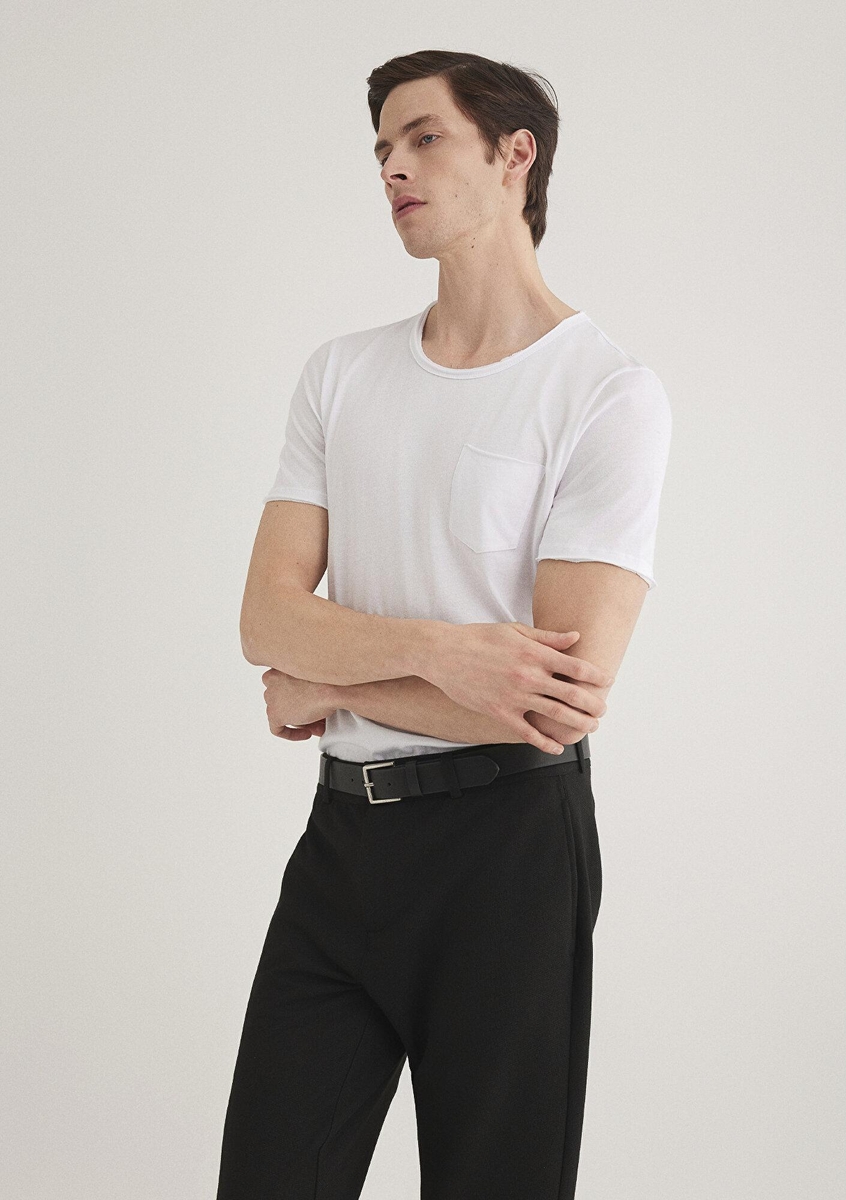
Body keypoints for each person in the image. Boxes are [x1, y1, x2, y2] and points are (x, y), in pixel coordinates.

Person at [216, 49, 672, 1200]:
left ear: (515, 155)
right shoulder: (340, 375)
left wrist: (332, 682)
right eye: (381, 149)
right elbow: (266, 615)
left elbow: (556, 701)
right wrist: (444, 650)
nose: (392, 168)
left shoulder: (605, 392)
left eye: (423, 138)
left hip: (509, 851)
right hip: (341, 846)